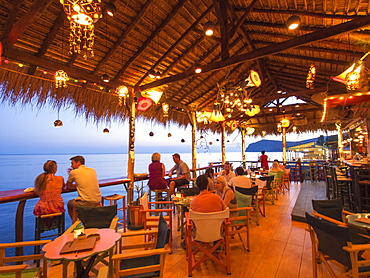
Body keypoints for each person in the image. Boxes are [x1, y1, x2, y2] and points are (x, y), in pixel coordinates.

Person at [66, 155, 102, 222]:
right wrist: (80, 185)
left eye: (72, 163)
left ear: (78, 163)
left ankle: (75, 224)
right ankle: (86, 221)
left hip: (86, 202)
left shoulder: (73, 172)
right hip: (97, 200)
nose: (71, 166)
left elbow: (69, 186)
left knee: (70, 203)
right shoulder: (92, 170)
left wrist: (71, 174)